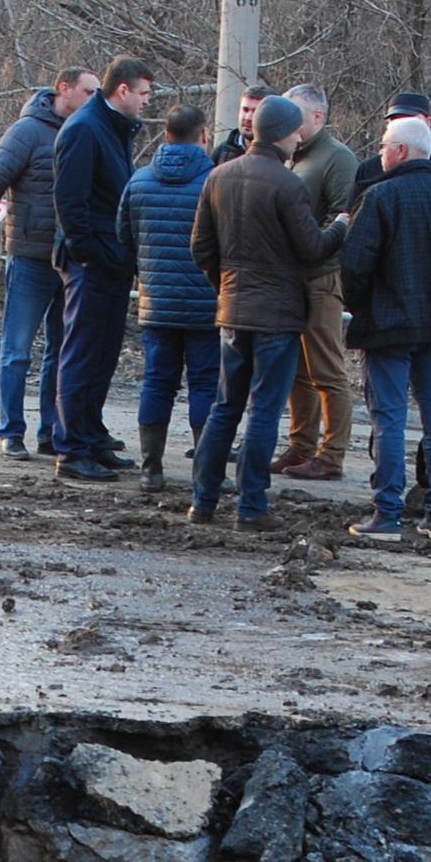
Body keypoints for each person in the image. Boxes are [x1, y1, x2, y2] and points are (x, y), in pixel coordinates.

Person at [187, 95, 347, 532]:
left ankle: (202, 501)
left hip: (233, 311)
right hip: (277, 315)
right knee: (262, 411)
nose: (300, 137)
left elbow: (200, 247)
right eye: (295, 130)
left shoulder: (218, 176)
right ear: (282, 133)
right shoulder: (287, 184)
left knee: (225, 407)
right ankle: (251, 506)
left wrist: (225, 286)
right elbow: (311, 249)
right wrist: (340, 226)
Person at [338, 115, 431, 542]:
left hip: (389, 325)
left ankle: (387, 511)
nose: (380, 152)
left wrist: (361, 302)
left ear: (400, 151)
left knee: (389, 416)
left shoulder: (380, 197)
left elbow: (354, 263)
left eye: (384, 145)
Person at [0, 66, 98, 459]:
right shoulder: (27, 132)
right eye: (88, 91)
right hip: (31, 255)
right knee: (17, 349)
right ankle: (11, 431)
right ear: (64, 89)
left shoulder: (88, 131)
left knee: (61, 351)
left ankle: (51, 431)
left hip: (70, 258)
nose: (94, 99)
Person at [47, 54, 155, 482]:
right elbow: (70, 203)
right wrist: (91, 253)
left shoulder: (108, 127)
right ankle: (72, 448)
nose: (148, 102)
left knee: (103, 354)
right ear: (123, 91)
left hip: (109, 261)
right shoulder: (86, 129)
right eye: (144, 93)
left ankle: (90, 436)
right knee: (82, 353)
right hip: (90, 263)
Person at [117, 105, 220, 491]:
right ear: (204, 135)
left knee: (157, 383)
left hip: (155, 302)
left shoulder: (140, 181)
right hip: (205, 304)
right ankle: (205, 473)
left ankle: (151, 469)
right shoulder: (214, 182)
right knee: (206, 386)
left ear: (166, 135)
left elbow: (124, 235)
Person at [272, 84, 359, 482]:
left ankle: (332, 453)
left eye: (297, 117)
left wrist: (315, 250)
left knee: (326, 368)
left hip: (321, 277)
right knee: (297, 370)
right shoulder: (290, 156)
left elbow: (345, 215)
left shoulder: (337, 159)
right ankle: (301, 444)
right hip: (290, 278)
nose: (289, 125)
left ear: (318, 117)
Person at [210, 83, 272, 167]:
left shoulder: (280, 155)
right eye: (245, 110)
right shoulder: (222, 152)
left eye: (256, 111)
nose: (248, 118)